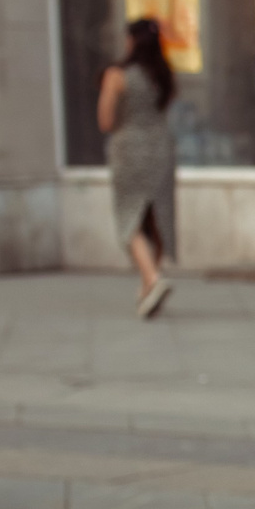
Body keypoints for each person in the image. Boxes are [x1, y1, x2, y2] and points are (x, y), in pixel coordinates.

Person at [98, 18, 177, 318]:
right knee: (156, 217)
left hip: (129, 150)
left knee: (128, 217)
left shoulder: (117, 75)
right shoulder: (163, 75)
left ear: (131, 41)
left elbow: (105, 121)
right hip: (161, 149)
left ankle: (152, 279)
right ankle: (148, 287)